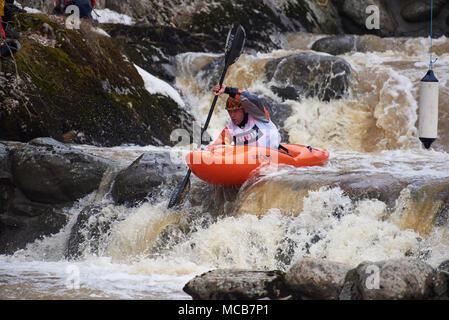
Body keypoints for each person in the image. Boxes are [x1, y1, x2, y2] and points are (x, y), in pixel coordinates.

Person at [209, 84, 282, 150]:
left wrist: (228, 90)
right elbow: (216, 144)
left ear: (245, 110)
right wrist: (205, 151)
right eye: (230, 112)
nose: (232, 115)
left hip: (272, 156)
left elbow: (253, 99)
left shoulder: (259, 114)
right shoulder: (231, 127)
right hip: (249, 160)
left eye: (235, 111)